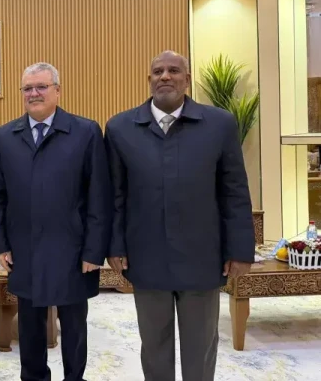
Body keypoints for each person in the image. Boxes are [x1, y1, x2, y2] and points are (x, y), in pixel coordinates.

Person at [104, 51, 255, 381]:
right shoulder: (120, 128)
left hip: (202, 256)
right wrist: (114, 246)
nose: (165, 76)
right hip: (146, 256)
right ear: (149, 80)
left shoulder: (219, 124)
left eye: (174, 70)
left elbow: (234, 191)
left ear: (187, 79)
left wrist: (241, 250)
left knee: (201, 347)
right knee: (154, 346)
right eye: (158, 71)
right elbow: (115, 195)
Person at [0, 62, 112, 381]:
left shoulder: (85, 132)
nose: (34, 93)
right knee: (29, 327)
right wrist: (0, 245)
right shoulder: (5, 137)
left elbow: (99, 196)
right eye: (27, 88)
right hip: (24, 249)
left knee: (74, 326)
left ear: (58, 90)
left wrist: (94, 250)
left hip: (73, 250)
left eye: (41, 87)